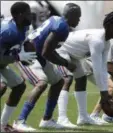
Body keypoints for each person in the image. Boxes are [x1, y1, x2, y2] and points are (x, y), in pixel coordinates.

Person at [13, 3, 81, 131]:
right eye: (78, 17)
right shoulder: (62, 27)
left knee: (58, 82)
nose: (79, 20)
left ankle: (47, 120)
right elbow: (46, 52)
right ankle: (20, 121)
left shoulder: (56, 20)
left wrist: (63, 62)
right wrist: (66, 63)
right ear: (71, 15)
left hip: (37, 53)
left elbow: (47, 49)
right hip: (27, 54)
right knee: (41, 83)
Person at [55, 11, 113, 126]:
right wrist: (103, 93)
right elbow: (96, 69)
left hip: (75, 55)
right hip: (61, 49)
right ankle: (62, 118)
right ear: (110, 26)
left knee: (81, 79)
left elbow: (102, 68)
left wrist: (105, 92)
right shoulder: (96, 40)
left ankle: (83, 117)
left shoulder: (106, 43)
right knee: (68, 79)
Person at [0, 2, 34, 132]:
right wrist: (18, 57)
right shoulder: (7, 31)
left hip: (2, 64)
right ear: (20, 15)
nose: (31, 16)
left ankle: (3, 126)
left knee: (19, 86)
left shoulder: (23, 27)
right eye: (28, 13)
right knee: (1, 86)